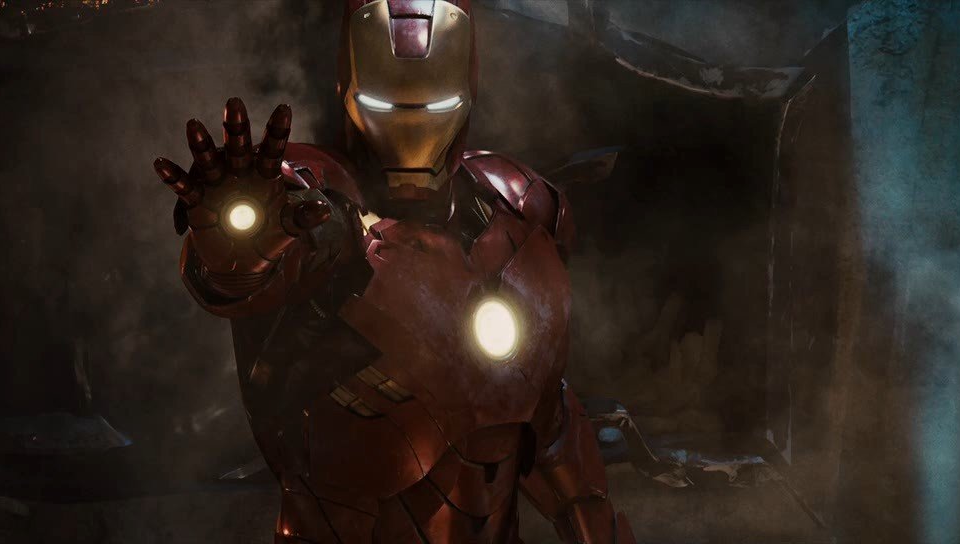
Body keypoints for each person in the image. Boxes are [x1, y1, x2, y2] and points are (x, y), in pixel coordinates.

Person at [153, 1, 635, 542]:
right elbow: (251, 264)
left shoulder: (516, 203)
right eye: (385, 100)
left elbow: (547, 419)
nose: (412, 121)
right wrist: (240, 239)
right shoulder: (317, 200)